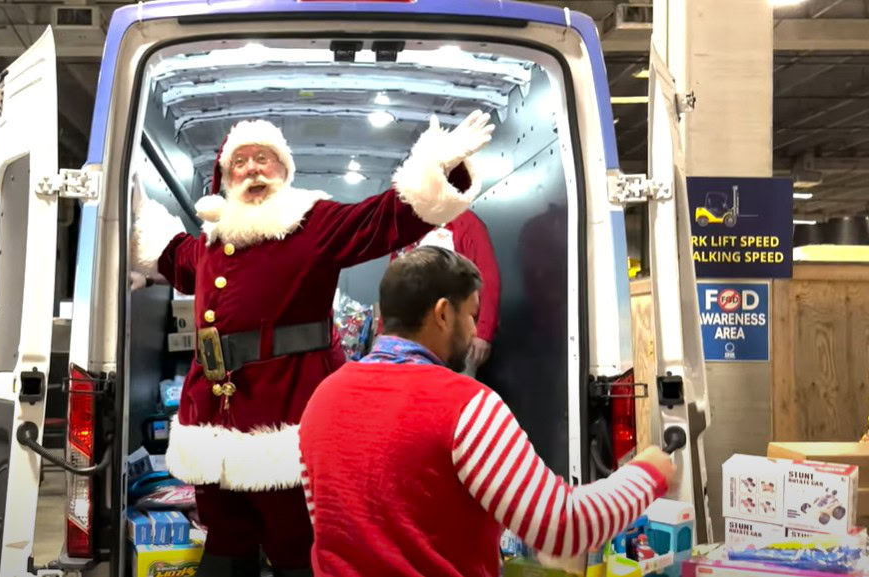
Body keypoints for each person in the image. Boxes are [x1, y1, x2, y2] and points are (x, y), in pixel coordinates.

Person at [130, 111, 496, 577]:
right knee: (225, 546)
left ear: (284, 171)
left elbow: (384, 219)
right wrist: (139, 211)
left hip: (286, 421)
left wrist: (436, 173)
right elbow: (169, 252)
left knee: (297, 551)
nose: (253, 169)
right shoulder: (210, 243)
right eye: (240, 162)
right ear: (224, 179)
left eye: (264, 158)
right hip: (210, 426)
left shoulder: (312, 223)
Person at [298, 246, 676, 577]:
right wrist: (649, 473)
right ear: (443, 313)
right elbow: (564, 528)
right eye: (473, 316)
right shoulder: (465, 404)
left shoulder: (321, 399)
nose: (476, 329)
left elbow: (327, 525)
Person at [388, 209, 501, 373]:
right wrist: (384, 329)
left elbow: (489, 280)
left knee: (456, 392)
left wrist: (484, 332)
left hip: (456, 337)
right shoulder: (406, 227)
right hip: (411, 337)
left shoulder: (466, 223)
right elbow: (394, 285)